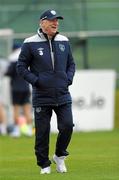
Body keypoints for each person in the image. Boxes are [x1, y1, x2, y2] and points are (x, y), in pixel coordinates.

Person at [17, 9, 75, 174]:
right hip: (41, 95)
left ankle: (59, 156)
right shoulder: (29, 42)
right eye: (51, 20)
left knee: (67, 126)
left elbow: (71, 64)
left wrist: (68, 79)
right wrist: (36, 81)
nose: (55, 23)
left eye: (57, 20)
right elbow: (21, 67)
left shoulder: (64, 40)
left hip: (63, 93)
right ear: (42, 23)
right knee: (42, 133)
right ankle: (44, 165)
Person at [5, 48, 33, 137]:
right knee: (27, 109)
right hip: (26, 87)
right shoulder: (26, 61)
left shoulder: (13, 61)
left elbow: (8, 73)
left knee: (16, 109)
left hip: (16, 89)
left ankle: (16, 130)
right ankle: (29, 129)